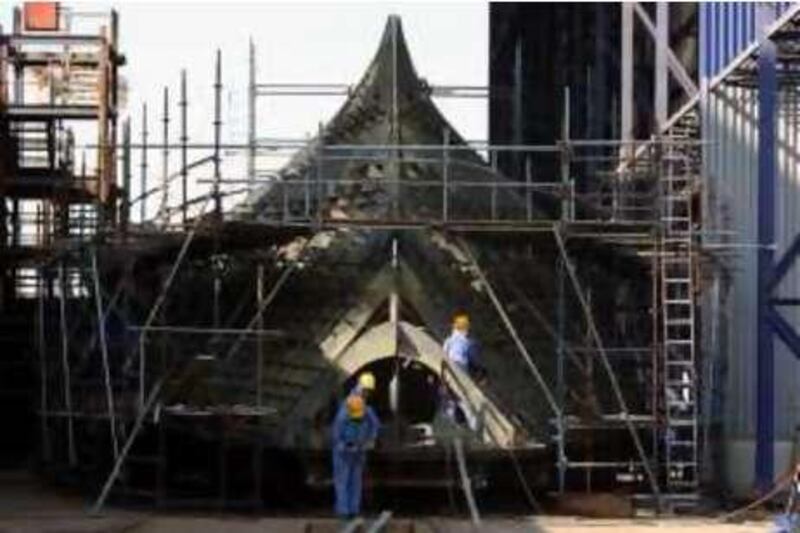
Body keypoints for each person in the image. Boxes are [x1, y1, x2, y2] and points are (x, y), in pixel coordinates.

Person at [332, 393, 380, 519]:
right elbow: (336, 439)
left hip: (359, 451)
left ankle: (353, 509)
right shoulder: (341, 418)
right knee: (343, 481)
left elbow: (375, 425)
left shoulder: (366, 411)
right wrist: (346, 446)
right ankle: (344, 511)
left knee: (355, 480)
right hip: (343, 455)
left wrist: (370, 440)